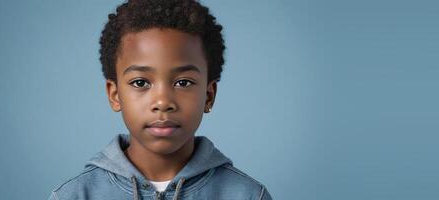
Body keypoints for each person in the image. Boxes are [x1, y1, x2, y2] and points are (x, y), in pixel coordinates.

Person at [47, 0, 272, 199]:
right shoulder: (74, 195)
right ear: (114, 95)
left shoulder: (248, 195)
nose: (163, 102)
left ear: (209, 95)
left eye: (183, 82)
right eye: (141, 83)